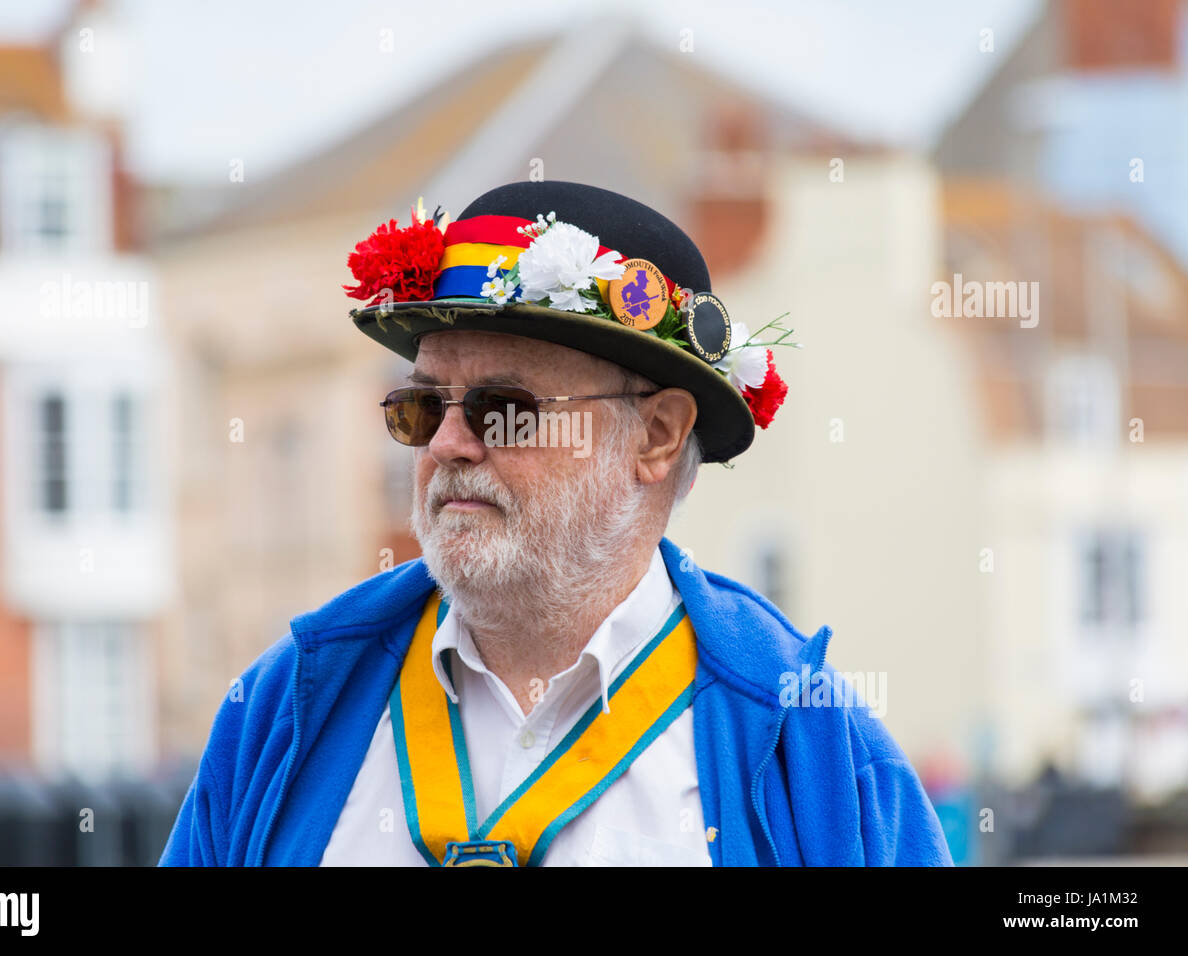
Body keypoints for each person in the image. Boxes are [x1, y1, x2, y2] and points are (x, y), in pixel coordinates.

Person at [158, 180, 953, 867]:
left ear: (657, 435)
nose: (447, 442)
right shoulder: (288, 704)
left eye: (504, 410)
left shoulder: (806, 742)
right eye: (421, 406)